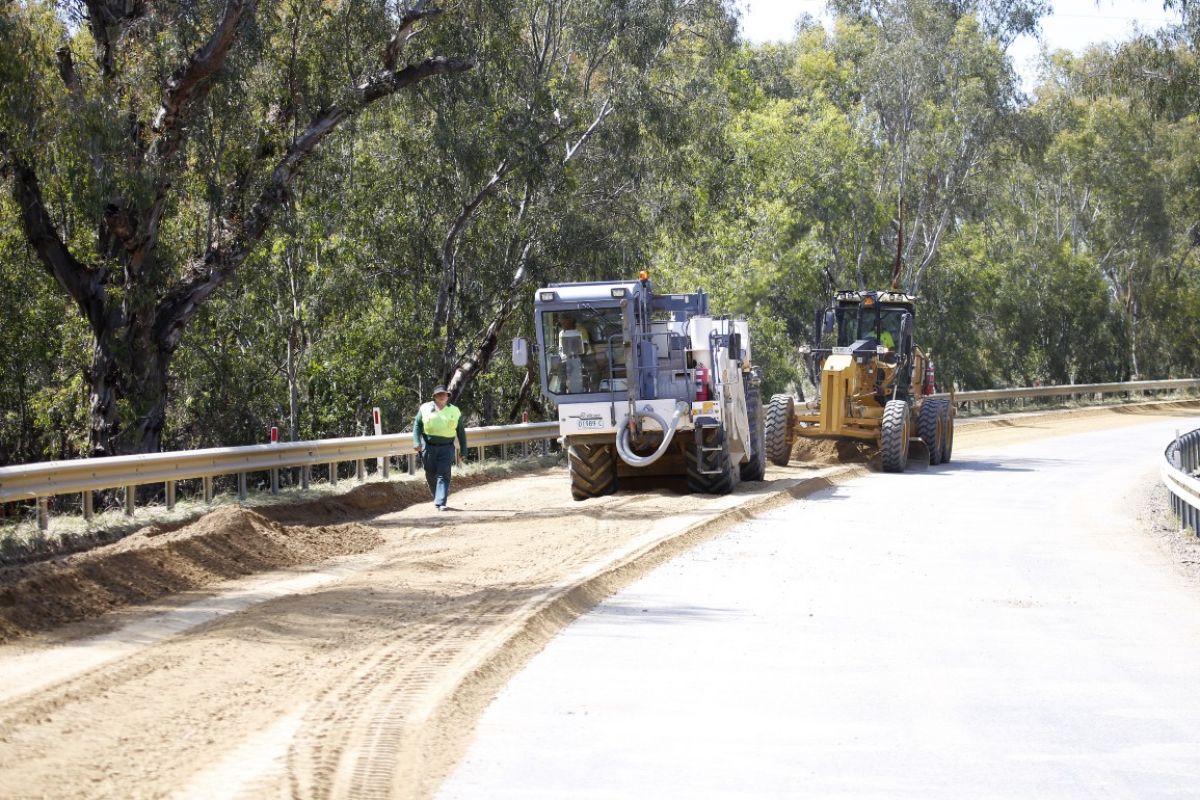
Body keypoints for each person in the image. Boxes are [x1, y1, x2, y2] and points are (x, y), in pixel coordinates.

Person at [412, 385, 467, 511]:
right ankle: (438, 496)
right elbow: (417, 425)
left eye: (444, 394)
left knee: (443, 474)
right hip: (428, 447)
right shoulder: (425, 408)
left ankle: (441, 502)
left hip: (447, 448)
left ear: (448, 396)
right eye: (439, 394)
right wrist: (416, 442)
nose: (442, 396)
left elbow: (461, 432)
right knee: (430, 474)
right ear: (435, 396)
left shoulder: (454, 410)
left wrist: (463, 449)